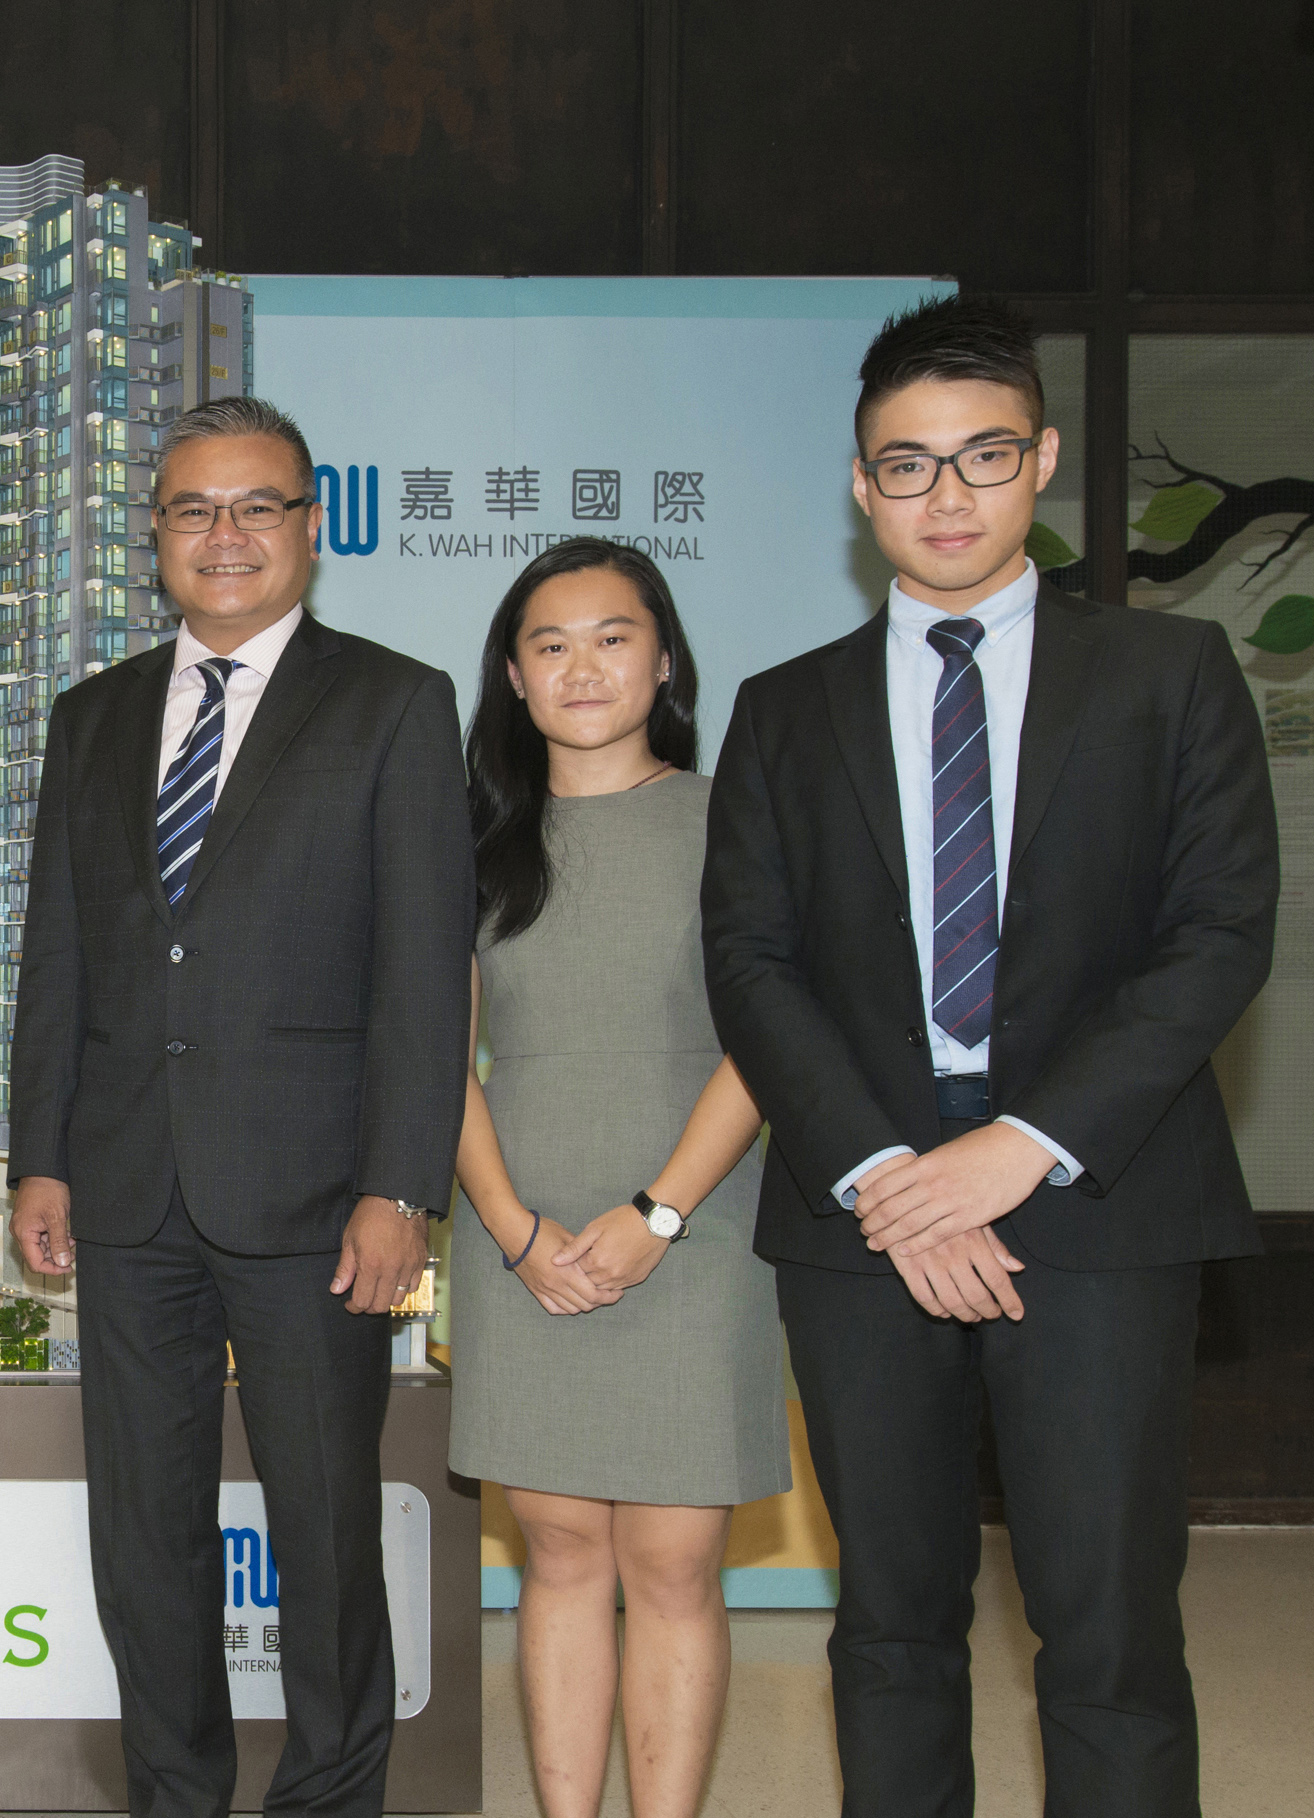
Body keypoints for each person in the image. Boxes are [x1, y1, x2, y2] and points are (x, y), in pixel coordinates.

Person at [703, 296, 1277, 1818]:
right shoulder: (782, 708)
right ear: (860, 485)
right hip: (862, 1211)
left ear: (1042, 460)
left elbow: (1219, 935)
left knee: (1106, 1629)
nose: (944, 495)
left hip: (1098, 1194)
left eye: (981, 456)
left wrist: (1017, 1147)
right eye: (906, 465)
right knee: (889, 1623)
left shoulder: (1171, 672)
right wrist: (889, 1174)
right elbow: (749, 962)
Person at [9, 396, 472, 1818]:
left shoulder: (394, 702)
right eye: (192, 510)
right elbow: (60, 953)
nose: (225, 535)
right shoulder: (91, 716)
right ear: (154, 534)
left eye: (256, 506)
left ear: (308, 527)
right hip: (127, 1191)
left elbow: (422, 968)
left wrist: (401, 1185)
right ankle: (175, 1794)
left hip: (318, 1199)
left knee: (323, 1529)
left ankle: (328, 1797)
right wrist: (39, 1156)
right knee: (143, 1536)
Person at [445, 539, 786, 1818]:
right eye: (549, 644)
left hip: (697, 1223)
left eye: (611, 637)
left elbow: (769, 1038)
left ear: (664, 661)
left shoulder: (735, 820)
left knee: (673, 1560)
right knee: (560, 1551)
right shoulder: (470, 841)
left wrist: (658, 1213)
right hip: (517, 1226)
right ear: (513, 677)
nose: (580, 667)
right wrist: (511, 1229)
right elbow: (434, 1058)